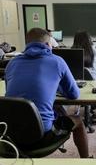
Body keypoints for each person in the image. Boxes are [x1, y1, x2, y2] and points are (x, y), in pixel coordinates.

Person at [5, 28, 89, 158]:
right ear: (48, 44)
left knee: (56, 108)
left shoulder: (12, 63)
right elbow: (74, 94)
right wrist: (57, 86)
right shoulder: (57, 61)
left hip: (10, 135)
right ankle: (86, 160)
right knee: (77, 120)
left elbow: (12, 98)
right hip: (41, 137)